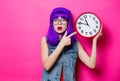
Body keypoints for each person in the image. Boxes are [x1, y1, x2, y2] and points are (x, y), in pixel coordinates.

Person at [40, 7, 102, 81]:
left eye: (63, 20)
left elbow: (91, 64)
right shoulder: (45, 40)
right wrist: (61, 44)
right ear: (52, 23)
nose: (59, 23)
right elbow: (46, 66)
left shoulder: (75, 43)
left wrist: (94, 41)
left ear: (68, 23)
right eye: (56, 20)